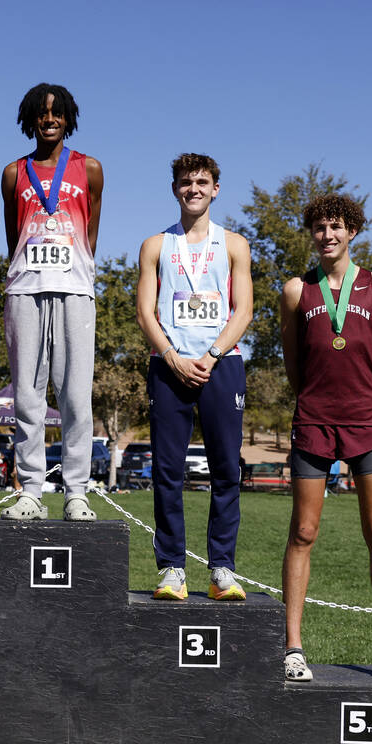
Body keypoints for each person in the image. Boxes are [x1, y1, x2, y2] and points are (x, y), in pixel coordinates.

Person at [279, 194, 372, 684]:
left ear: (352, 231)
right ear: (311, 234)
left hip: (367, 421)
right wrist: (319, 399)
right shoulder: (296, 290)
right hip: (313, 421)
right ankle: (293, 647)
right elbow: (293, 363)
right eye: (318, 227)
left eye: (335, 226)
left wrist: (355, 395)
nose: (327, 235)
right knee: (304, 532)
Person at [135, 154, 252, 601]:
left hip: (222, 364)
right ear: (174, 189)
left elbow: (244, 310)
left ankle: (221, 569)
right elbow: (146, 311)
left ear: (216, 189)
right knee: (167, 470)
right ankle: (171, 569)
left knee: (226, 470)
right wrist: (171, 355)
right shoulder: (154, 245)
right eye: (186, 182)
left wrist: (211, 354)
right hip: (168, 366)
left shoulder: (235, 244)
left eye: (202, 182)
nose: (194, 189)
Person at [0, 83, 103, 522]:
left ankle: (76, 490)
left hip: (76, 289)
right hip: (25, 288)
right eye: (41, 113)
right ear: (30, 118)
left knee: (77, 396)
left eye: (57, 112)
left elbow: (91, 229)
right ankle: (31, 491)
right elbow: (13, 234)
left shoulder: (90, 168)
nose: (49, 119)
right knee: (27, 395)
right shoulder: (13, 172)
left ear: (68, 117)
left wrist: (75, 264)